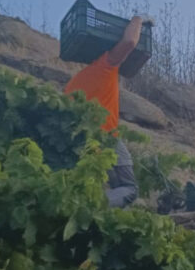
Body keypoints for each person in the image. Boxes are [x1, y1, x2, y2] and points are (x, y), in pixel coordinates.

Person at [63, 14, 150, 208]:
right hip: (106, 137)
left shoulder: (74, 82)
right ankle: (90, 207)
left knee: (117, 191)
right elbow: (129, 42)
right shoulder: (106, 66)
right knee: (129, 188)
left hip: (83, 142)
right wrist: (138, 19)